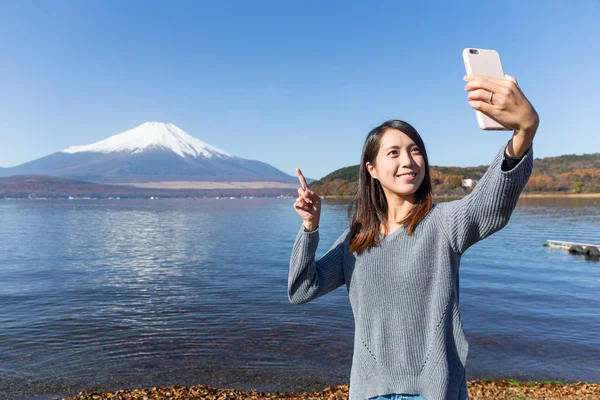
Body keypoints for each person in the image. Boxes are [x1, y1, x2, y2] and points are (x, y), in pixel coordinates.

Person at [288, 73, 539, 400]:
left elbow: (491, 203)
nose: (408, 161)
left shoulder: (445, 223)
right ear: (371, 168)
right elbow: (301, 289)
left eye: (415, 150)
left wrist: (524, 132)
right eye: (393, 153)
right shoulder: (357, 240)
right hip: (369, 392)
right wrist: (310, 228)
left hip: (433, 391)